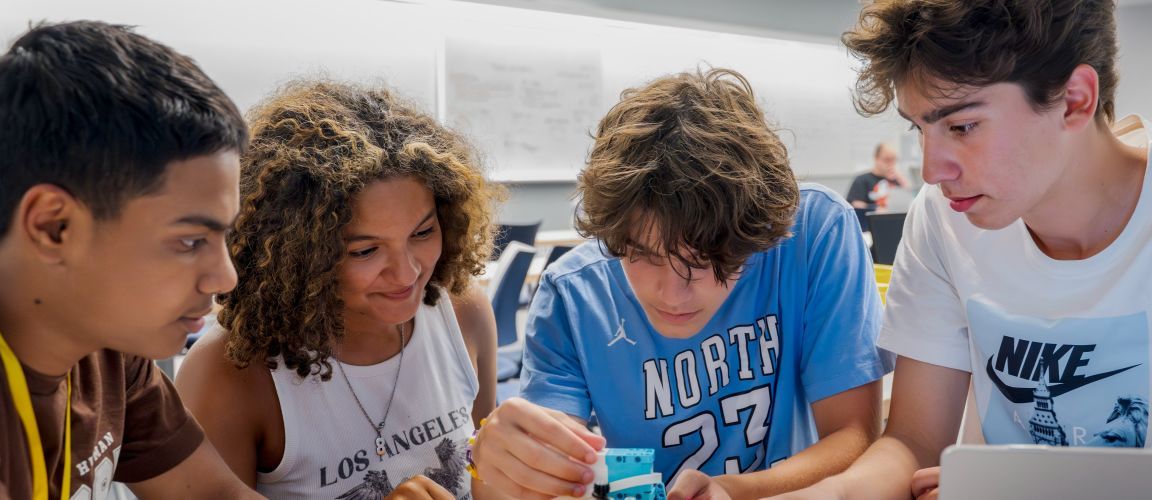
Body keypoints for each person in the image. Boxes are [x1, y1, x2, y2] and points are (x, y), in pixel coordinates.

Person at [781, 0, 1151, 499]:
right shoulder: (943, 219)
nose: (932, 171)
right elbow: (913, 442)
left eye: (962, 127)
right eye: (919, 129)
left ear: (1075, 100)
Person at [468, 68, 891, 500]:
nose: (671, 295)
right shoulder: (574, 294)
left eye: (704, 260)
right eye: (642, 255)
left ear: (756, 234)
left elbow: (854, 436)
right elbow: (554, 474)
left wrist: (734, 491)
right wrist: (507, 467)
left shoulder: (814, 233)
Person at [0, 21, 261, 498]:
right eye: (189, 241)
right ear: (53, 226)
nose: (225, 277)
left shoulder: (109, 345)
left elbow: (213, 494)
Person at [175, 80, 507, 500]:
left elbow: (487, 483)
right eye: (365, 250)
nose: (406, 272)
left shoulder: (462, 311)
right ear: (299, 254)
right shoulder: (230, 373)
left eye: (423, 232)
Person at [846, 143, 910, 212]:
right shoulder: (862, 180)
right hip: (871, 220)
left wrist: (899, 176)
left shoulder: (895, 179)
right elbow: (855, 204)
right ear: (876, 158)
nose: (891, 164)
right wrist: (875, 209)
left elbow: (909, 194)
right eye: (887, 160)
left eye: (893, 160)